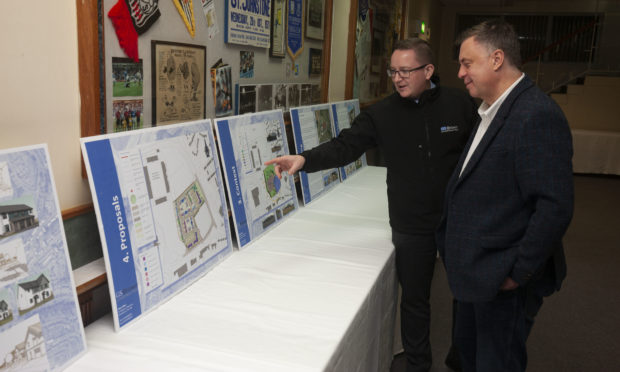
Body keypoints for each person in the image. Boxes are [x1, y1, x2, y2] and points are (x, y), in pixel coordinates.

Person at [266, 38, 478, 372]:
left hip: (459, 219)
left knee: (469, 294)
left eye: (406, 70)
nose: (398, 78)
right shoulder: (382, 114)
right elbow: (344, 147)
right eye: (394, 71)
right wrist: (304, 159)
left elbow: (480, 155)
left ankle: (466, 361)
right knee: (415, 301)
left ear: (429, 70)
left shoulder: (460, 105)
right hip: (412, 222)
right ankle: (419, 366)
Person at [436, 20, 574, 372]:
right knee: (469, 359)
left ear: (497, 59)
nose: (461, 72)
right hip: (477, 274)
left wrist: (517, 273)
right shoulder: (491, 109)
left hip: (503, 278)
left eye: (467, 63)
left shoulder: (535, 115)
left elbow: (554, 207)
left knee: (496, 363)